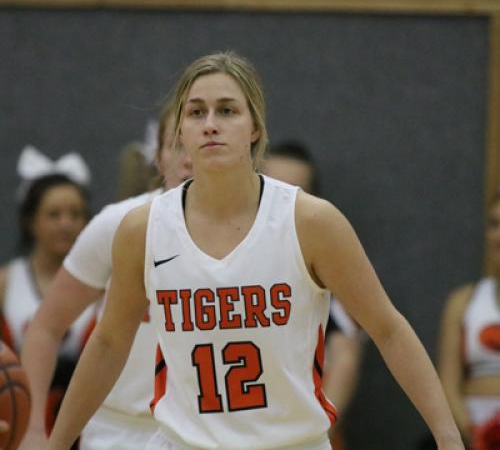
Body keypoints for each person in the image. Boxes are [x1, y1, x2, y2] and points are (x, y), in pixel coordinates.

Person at [48, 51, 464, 450]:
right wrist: (55, 444)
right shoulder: (142, 229)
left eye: (227, 110)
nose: (211, 124)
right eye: (196, 112)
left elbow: (388, 328)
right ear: (178, 133)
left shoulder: (311, 222)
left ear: (255, 129)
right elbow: (108, 344)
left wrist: (447, 437)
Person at [19, 106, 192, 450]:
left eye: (197, 141)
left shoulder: (256, 231)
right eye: (176, 144)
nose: (188, 157)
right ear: (157, 158)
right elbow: (45, 327)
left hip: (211, 431)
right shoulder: (117, 224)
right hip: (121, 430)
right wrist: (34, 428)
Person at [262, 140, 364, 450]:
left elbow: (345, 355)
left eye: (293, 193)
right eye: (271, 188)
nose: (281, 202)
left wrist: (315, 433)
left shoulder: (325, 267)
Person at [0, 147, 94, 443]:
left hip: (88, 427)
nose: (66, 223)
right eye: (53, 214)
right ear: (30, 220)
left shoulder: (105, 285)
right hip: (20, 423)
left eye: (75, 214)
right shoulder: (5, 282)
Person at [438, 189, 500, 449]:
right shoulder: (464, 301)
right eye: (494, 224)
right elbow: (447, 385)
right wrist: (474, 433)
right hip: (473, 434)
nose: (499, 235)